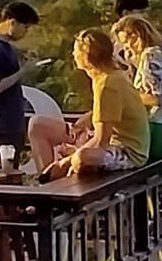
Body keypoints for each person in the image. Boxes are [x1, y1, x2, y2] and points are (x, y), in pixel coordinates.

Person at [43, 28, 150, 179]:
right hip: (117, 144)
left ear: (87, 56)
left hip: (129, 153)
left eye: (75, 50)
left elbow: (101, 140)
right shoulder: (107, 77)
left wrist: (67, 161)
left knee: (83, 157)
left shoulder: (108, 84)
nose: (73, 55)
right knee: (46, 129)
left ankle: (53, 184)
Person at [0, 2, 41, 168]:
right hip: (1, 126)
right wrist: (23, 72)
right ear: (12, 22)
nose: (25, 33)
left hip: (12, 123)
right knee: (4, 175)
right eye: (25, 27)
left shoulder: (6, 48)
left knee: (12, 173)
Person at [111, 13, 162, 111]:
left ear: (137, 36)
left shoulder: (150, 56)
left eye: (126, 41)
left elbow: (156, 98)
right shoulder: (155, 54)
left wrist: (128, 96)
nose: (125, 47)